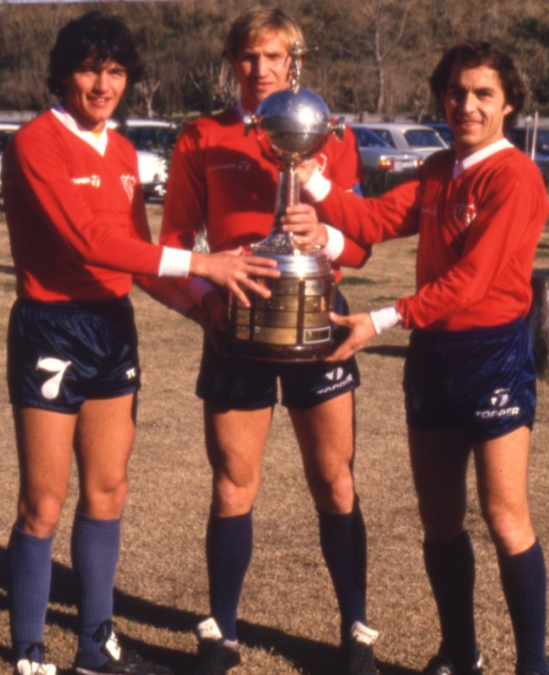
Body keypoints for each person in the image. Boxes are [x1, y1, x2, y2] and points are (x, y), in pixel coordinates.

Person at [0, 11, 278, 675]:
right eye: (92, 68)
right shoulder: (36, 142)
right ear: (64, 72)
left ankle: (95, 645)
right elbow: (86, 243)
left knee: (110, 490)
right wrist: (206, 264)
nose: (104, 83)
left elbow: (133, 261)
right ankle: (30, 657)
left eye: (117, 71)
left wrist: (203, 307)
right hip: (52, 328)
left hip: (110, 327)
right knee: (42, 501)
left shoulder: (124, 153)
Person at [289, 41, 549, 675]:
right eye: (457, 92)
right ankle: (461, 653)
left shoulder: (515, 175)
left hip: (491, 353)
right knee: (438, 518)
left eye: (483, 94)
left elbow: (476, 279)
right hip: (433, 356)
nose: (467, 105)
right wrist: (312, 177)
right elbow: (375, 219)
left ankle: (533, 666)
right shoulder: (440, 169)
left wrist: (379, 319)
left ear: (508, 104)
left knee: (502, 513)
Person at [159, 7, 379, 675]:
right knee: (233, 482)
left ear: (295, 62)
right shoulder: (201, 137)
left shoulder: (328, 134)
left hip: (318, 317)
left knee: (335, 478)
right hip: (237, 322)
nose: (260, 70)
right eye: (248, 58)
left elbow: (362, 243)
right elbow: (171, 245)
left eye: (273, 57)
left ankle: (356, 628)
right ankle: (219, 630)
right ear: (233, 63)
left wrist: (326, 237)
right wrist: (203, 309)